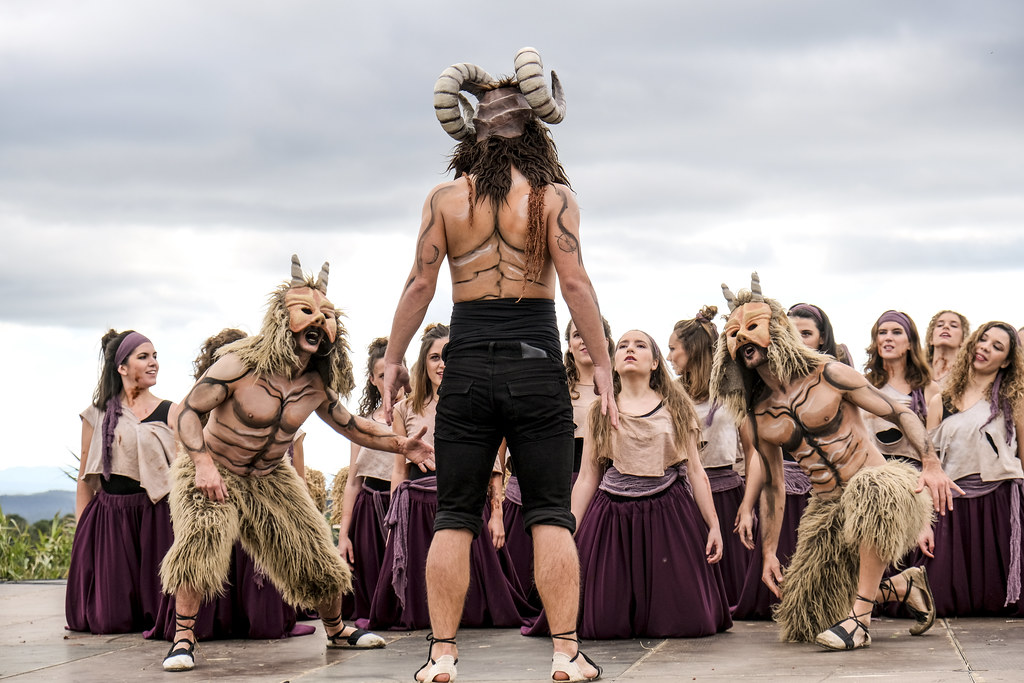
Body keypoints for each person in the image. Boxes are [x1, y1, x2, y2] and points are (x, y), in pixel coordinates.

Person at [381, 47, 616, 683]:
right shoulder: (552, 199)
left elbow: (418, 284)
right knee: (549, 511)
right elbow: (577, 285)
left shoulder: (445, 200)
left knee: (454, 513)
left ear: (471, 137)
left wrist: (394, 361)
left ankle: (442, 656)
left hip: (465, 368)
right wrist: (604, 371)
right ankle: (566, 653)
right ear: (536, 134)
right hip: (537, 364)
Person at [158, 255, 434, 672]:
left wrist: (401, 444)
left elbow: (351, 425)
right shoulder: (239, 365)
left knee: (315, 555)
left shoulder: (314, 383)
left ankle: (338, 629)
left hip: (270, 477)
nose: (318, 322)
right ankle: (182, 639)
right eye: (306, 312)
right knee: (201, 540)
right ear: (280, 319)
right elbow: (185, 413)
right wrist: (201, 463)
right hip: (214, 465)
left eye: (326, 317)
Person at [710, 273, 959, 651]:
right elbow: (775, 486)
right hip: (827, 505)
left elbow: (899, 413)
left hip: (882, 487)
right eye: (733, 333)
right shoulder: (760, 416)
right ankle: (901, 585)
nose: (743, 337)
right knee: (802, 620)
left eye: (752, 327)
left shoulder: (829, 373)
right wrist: (768, 553)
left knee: (868, 490)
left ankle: (859, 622)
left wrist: (931, 463)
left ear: (777, 330)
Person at [147, 327, 316, 642]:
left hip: (267, 483)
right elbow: (180, 426)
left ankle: (257, 619)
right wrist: (203, 467)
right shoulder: (204, 402)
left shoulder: (273, 399)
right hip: (217, 482)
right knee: (207, 551)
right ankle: (193, 631)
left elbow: (297, 465)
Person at [572, 329, 731, 637]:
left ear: (656, 362)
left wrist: (713, 525)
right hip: (612, 518)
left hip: (668, 513)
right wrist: (571, 528)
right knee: (602, 623)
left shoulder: (677, 408)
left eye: (640, 345)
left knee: (687, 622)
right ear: (614, 362)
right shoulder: (600, 410)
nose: (630, 349)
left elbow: (696, 472)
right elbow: (588, 476)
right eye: (623, 346)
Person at [368, 324, 524, 631]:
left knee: (474, 606)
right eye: (436, 357)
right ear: (425, 362)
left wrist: (496, 516)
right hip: (417, 509)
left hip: (465, 503)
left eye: (451, 356)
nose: (443, 364)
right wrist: (393, 522)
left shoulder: (480, 404)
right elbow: (400, 470)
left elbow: (494, 465)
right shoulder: (403, 409)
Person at [66, 330, 177, 634]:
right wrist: (82, 532)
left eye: (155, 356)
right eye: (144, 357)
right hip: (111, 519)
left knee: (160, 615)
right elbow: (85, 477)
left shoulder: (172, 412)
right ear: (122, 368)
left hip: (156, 516)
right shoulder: (97, 414)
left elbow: (185, 472)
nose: (153, 363)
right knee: (111, 620)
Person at [925, 321, 1024, 615]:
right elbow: (930, 465)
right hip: (951, 504)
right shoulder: (939, 401)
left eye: (997, 347)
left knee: (998, 601)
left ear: (1006, 361)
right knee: (939, 600)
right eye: (983, 340)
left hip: (999, 503)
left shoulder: (1014, 401)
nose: (985, 348)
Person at [667, 306, 755, 608]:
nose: (668, 357)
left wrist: (747, 504)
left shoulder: (732, 393)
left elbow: (753, 452)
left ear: (692, 350)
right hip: (685, 493)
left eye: (672, 349)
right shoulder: (671, 394)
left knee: (732, 585)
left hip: (728, 492)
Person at [337, 337, 397, 621]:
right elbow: (352, 482)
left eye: (395, 372)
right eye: (382, 375)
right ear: (373, 380)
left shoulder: (415, 415)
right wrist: (343, 536)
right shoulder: (361, 424)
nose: (390, 381)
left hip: (404, 507)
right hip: (370, 513)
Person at [862, 310, 940, 464]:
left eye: (897, 332)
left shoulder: (928, 388)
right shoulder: (862, 384)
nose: (888, 338)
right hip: (869, 470)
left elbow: (934, 443)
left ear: (910, 343)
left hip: (913, 473)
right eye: (882, 332)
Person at [787, 303, 853, 366]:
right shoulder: (779, 374)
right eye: (792, 334)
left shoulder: (839, 372)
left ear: (822, 338)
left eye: (806, 334)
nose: (798, 340)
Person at [925, 310, 970, 386]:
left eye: (954, 326)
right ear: (931, 339)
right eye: (939, 325)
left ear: (963, 340)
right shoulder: (918, 372)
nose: (946, 327)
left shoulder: (968, 376)